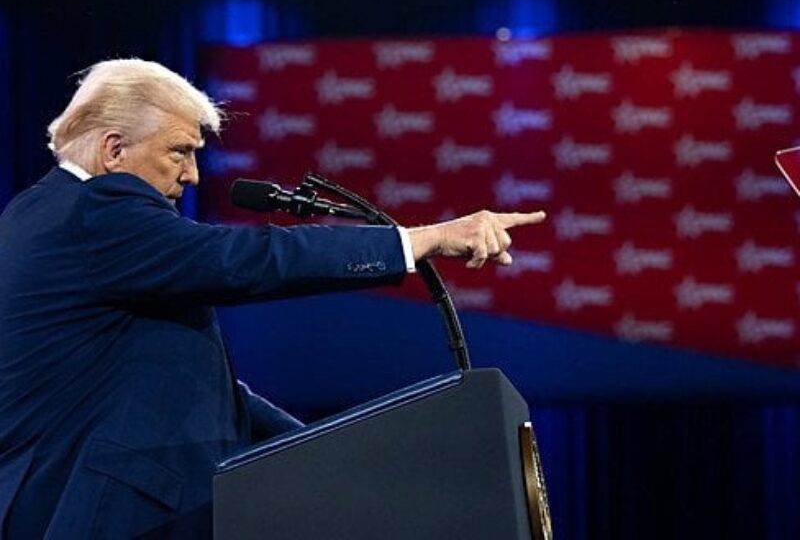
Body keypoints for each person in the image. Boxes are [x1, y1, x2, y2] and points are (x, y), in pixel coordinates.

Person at [0, 59, 546, 539]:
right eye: (180, 151)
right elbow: (248, 259)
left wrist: (321, 450)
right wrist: (421, 239)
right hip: (111, 516)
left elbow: (185, 382)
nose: (191, 174)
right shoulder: (94, 214)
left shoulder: (48, 216)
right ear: (114, 149)